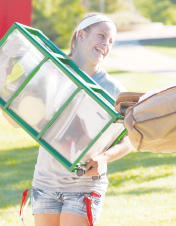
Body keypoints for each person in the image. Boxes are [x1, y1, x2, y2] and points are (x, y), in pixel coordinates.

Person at [1, 13, 134, 226]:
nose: (105, 44)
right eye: (101, 36)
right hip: (45, 183)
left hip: (84, 188)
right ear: (81, 34)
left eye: (110, 41)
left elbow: (130, 140)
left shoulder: (115, 90)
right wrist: (7, 94)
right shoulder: (49, 72)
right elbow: (16, 121)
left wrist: (104, 158)